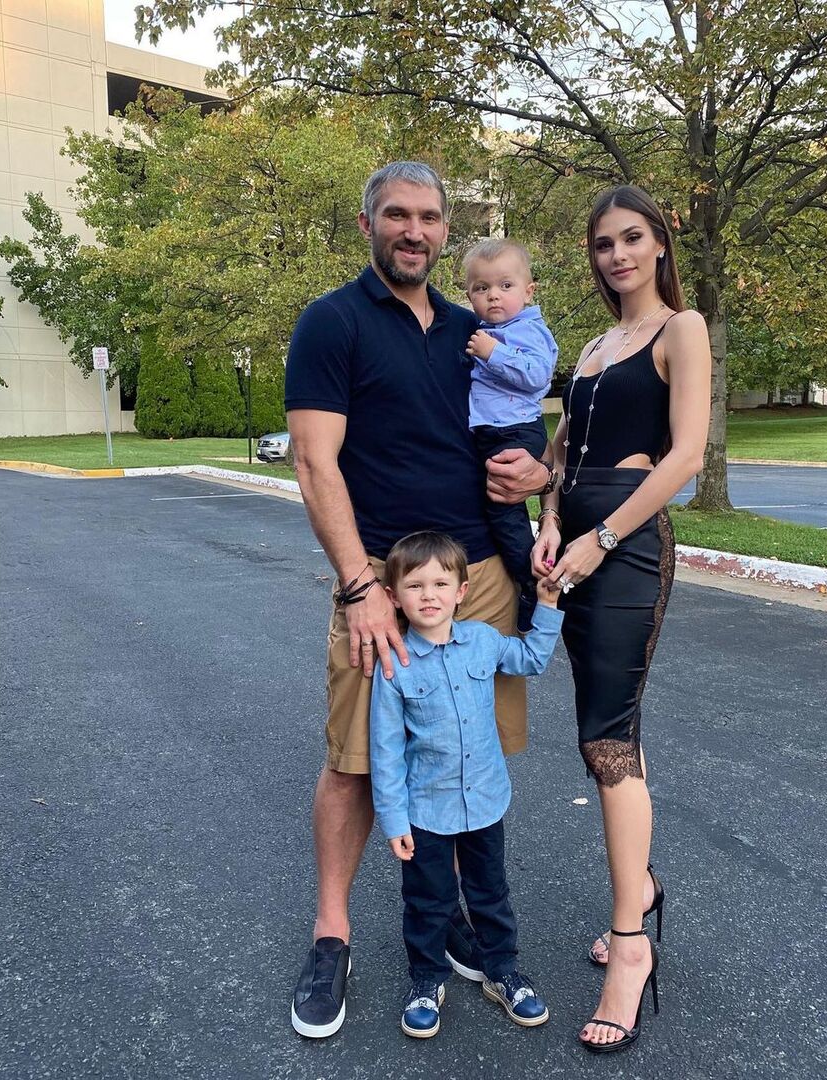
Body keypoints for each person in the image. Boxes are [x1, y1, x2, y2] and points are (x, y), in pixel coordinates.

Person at [284, 161, 554, 1039]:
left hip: (480, 577)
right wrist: (360, 586)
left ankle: (458, 921)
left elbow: (530, 413)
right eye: (396, 214)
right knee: (356, 760)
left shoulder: (475, 328)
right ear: (368, 224)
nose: (414, 230)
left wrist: (544, 474)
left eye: (429, 217)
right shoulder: (334, 322)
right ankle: (332, 936)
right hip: (383, 579)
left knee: (470, 746)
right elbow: (315, 462)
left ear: (444, 230)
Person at [532, 185, 711, 1053]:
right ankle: (639, 888)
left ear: (661, 243)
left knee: (609, 739)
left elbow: (684, 457)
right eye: (604, 243)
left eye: (632, 238)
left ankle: (631, 945)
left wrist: (600, 538)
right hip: (572, 546)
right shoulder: (596, 345)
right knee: (599, 735)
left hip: (627, 549)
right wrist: (548, 518)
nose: (618, 255)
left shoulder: (683, 329)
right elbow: (563, 448)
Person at [369, 531, 563, 1038]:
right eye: (414, 586)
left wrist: (547, 604)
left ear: (461, 591)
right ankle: (427, 980)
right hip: (425, 812)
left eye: (440, 584)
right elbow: (386, 752)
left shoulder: (482, 640)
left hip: (485, 802)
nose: (428, 595)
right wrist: (393, 820)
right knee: (427, 901)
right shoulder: (394, 665)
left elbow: (532, 659)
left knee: (489, 893)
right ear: (393, 596)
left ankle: (502, 971)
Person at [464, 239, 559, 631]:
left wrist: (492, 352)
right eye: (482, 288)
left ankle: (530, 583)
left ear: (528, 291)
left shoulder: (526, 329)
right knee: (494, 507)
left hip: (515, 432)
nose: (493, 295)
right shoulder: (487, 329)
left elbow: (538, 376)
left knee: (503, 510)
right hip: (493, 432)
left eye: (505, 286)